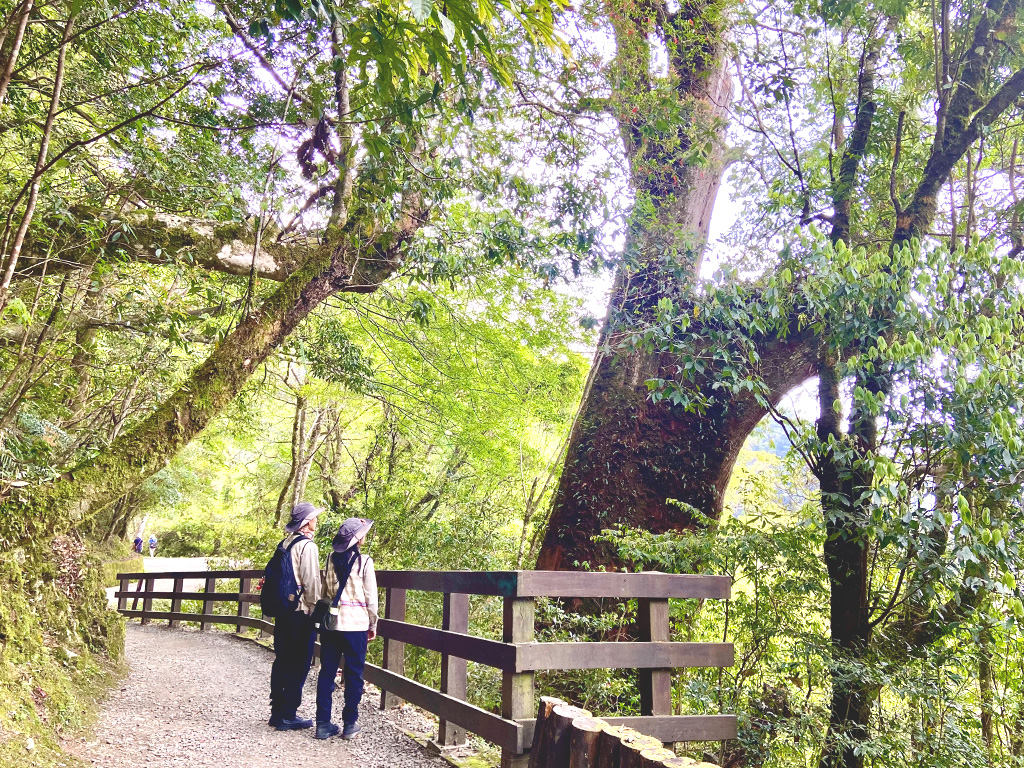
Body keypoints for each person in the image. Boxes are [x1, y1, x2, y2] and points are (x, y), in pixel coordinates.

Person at [314, 517, 378, 740]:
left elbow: (325, 591)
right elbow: (371, 598)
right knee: (354, 675)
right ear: (357, 538)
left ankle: (322, 723)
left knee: (327, 672)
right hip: (356, 626)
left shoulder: (330, 558)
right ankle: (350, 723)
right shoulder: (365, 562)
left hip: (332, 625)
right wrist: (373, 623)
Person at [268, 501, 324, 731]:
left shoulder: (285, 543)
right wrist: (316, 608)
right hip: (300, 612)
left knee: (282, 659)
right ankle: (288, 714)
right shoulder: (307, 546)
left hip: (283, 610)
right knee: (299, 662)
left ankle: (277, 711)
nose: (316, 520)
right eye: (314, 517)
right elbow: (311, 582)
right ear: (307, 522)